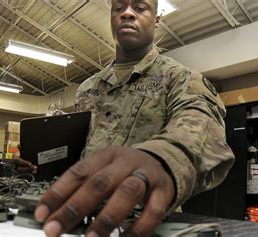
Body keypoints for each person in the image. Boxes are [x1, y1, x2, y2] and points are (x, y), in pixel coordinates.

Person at [19, 0, 235, 236]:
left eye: (140, 8)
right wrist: (39, 166)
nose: (127, 14)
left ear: (157, 20)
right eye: (119, 8)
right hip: (84, 215)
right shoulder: (87, 88)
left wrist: (162, 158)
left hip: (150, 221)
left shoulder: (179, 78)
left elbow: (200, 121)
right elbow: (78, 155)